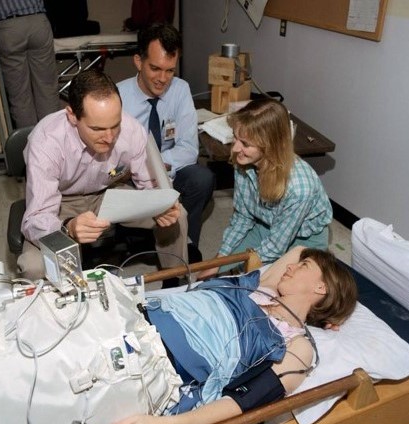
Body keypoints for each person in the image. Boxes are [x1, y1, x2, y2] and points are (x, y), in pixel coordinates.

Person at [104, 246, 358, 424]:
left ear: (321, 288)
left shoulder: (298, 345)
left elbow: (243, 400)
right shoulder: (261, 287)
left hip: (162, 356)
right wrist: (313, 265)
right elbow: (299, 250)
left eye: (304, 266)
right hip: (139, 315)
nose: (291, 266)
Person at [18, 69, 188, 280]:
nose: (109, 137)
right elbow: (36, 216)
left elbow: (152, 186)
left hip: (108, 193)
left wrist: (162, 205)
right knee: (34, 266)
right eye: (97, 128)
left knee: (176, 216)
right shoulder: (46, 142)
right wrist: (67, 227)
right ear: (72, 115)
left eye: (115, 125)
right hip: (60, 203)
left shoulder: (132, 130)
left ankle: (176, 284)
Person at [199, 99, 333, 279]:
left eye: (245, 144)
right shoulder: (244, 160)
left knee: (267, 286)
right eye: (235, 137)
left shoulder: (300, 188)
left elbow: (277, 245)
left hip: (303, 239)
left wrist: (246, 270)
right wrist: (219, 259)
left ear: (271, 146)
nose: (236, 148)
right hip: (264, 225)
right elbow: (243, 217)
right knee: (219, 272)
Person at [117, 23, 215, 262]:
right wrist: (143, 169)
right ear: (138, 62)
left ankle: (185, 244)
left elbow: (189, 149)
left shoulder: (180, 90)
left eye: (170, 70)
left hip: (170, 168)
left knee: (202, 178)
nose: (163, 79)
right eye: (155, 68)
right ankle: (141, 239)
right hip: (130, 176)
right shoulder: (117, 96)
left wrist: (159, 165)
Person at [0, 0, 59, 128]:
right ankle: (53, 139)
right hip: (37, 20)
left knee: (20, 96)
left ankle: (29, 142)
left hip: (7, 26)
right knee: (47, 87)